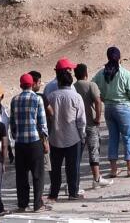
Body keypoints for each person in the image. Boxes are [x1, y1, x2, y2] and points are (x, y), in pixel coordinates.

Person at [93, 47, 130, 178]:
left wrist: (103, 97)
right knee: (128, 137)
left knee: (113, 138)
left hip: (108, 108)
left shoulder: (100, 74)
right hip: (123, 108)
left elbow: (93, 88)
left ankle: (113, 169)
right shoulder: (125, 73)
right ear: (120, 58)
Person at [46, 58, 87, 201]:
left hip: (55, 136)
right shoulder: (76, 96)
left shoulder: (51, 96)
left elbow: (47, 116)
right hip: (73, 136)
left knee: (55, 168)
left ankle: (54, 194)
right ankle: (73, 193)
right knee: (73, 167)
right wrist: (82, 135)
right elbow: (81, 119)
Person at [10, 72, 50, 213]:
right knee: (38, 174)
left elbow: (12, 124)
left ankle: (22, 204)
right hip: (34, 141)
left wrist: (16, 136)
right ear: (32, 84)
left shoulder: (14, 100)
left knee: (21, 175)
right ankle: (37, 204)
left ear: (21, 85)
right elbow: (42, 123)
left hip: (20, 143)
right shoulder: (37, 99)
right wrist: (45, 141)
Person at [73, 63, 109, 189]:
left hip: (77, 125)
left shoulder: (73, 87)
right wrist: (98, 117)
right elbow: (98, 101)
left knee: (76, 153)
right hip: (91, 123)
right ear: (86, 74)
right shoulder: (91, 85)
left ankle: (72, 181)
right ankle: (96, 178)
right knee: (94, 150)